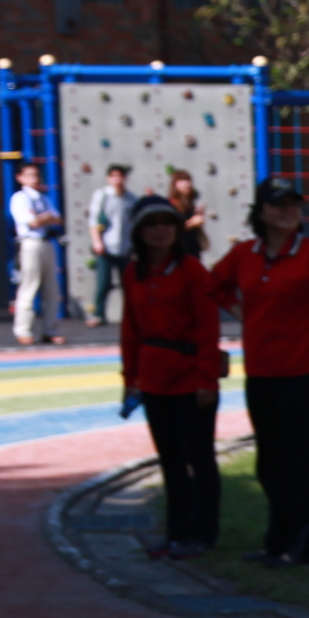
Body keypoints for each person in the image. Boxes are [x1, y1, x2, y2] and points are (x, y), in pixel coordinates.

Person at [211, 176, 309, 566]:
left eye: (294, 204)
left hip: (301, 373)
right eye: (278, 204)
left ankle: (305, 546)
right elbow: (215, 285)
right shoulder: (244, 254)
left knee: (302, 462)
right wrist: (241, 314)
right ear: (261, 211)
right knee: (269, 463)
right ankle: (277, 541)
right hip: (260, 372)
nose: (287, 211)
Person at [117, 194, 227, 559]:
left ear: (178, 229)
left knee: (199, 457)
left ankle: (203, 533)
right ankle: (176, 531)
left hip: (190, 375)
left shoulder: (192, 270)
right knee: (170, 460)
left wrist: (206, 379)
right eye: (150, 224)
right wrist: (130, 379)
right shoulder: (134, 273)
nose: (159, 230)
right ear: (138, 232)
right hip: (154, 377)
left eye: (167, 222)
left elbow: (208, 328)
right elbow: (130, 330)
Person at [7, 161, 63, 346]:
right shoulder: (20, 198)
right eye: (29, 175)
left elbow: (57, 219)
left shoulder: (44, 198)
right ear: (20, 178)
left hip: (47, 242)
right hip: (30, 242)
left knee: (52, 290)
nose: (34, 179)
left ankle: (50, 330)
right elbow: (31, 222)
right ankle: (23, 330)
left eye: (36, 175)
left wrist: (41, 218)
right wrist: (44, 218)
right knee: (29, 286)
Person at [85, 163, 133, 328]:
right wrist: (97, 241)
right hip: (106, 246)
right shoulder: (102, 195)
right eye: (113, 176)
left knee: (128, 284)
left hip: (125, 247)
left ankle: (131, 316)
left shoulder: (131, 198)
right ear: (108, 178)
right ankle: (98, 314)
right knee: (103, 283)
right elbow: (94, 220)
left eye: (120, 176)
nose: (117, 179)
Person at [165, 168, 208, 258]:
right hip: (179, 250)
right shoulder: (172, 205)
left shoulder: (190, 204)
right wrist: (192, 223)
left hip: (193, 248)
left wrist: (199, 216)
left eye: (188, 180)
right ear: (175, 184)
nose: (186, 184)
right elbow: (172, 229)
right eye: (182, 181)